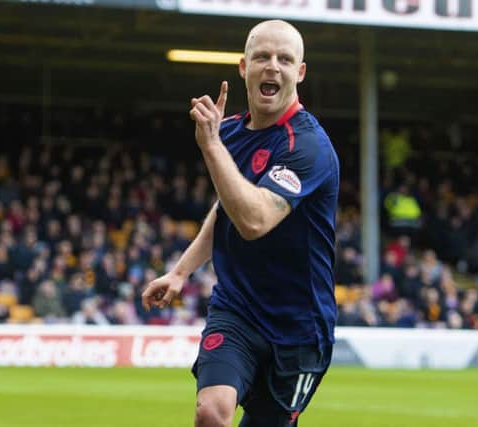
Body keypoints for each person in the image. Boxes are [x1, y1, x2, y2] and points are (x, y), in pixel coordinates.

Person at [142, 19, 339, 426]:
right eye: (262, 57)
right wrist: (180, 272)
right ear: (242, 66)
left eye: (285, 59)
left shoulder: (308, 146)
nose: (273, 66)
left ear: (300, 72)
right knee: (212, 413)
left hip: (299, 329)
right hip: (238, 309)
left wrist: (211, 146)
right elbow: (226, 209)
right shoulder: (229, 132)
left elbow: (254, 219)